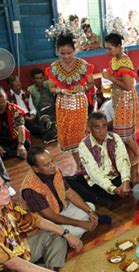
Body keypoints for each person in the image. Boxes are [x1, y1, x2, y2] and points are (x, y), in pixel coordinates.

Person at [0, 170, 83, 272]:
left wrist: (66, 233)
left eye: (4, 185)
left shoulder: (5, 205)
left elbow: (35, 220)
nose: (6, 191)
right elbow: (11, 263)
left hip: (19, 251)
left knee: (56, 236)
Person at [21, 147, 100, 238]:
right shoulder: (30, 189)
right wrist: (81, 223)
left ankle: (82, 227)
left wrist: (90, 212)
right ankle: (71, 233)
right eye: (47, 165)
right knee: (74, 232)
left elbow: (69, 193)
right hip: (49, 223)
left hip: (62, 211)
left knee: (90, 206)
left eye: (52, 161)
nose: (53, 166)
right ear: (36, 169)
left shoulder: (55, 171)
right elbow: (52, 217)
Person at [45, 33, 94, 171]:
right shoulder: (54, 67)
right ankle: (79, 165)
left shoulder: (83, 65)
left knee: (81, 134)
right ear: (57, 52)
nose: (66, 56)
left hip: (79, 104)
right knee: (71, 136)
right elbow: (51, 88)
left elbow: (91, 84)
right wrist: (61, 91)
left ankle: (89, 162)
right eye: (62, 53)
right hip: (63, 105)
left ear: (75, 50)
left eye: (69, 53)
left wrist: (83, 87)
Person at [66, 111, 132, 210]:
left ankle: (103, 198)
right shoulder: (84, 145)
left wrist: (125, 182)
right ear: (90, 129)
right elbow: (94, 174)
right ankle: (101, 198)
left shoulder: (115, 137)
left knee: (130, 174)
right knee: (67, 181)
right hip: (97, 183)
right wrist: (114, 189)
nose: (102, 130)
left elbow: (122, 160)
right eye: (97, 127)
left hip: (116, 179)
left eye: (104, 126)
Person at [102, 33, 139, 171]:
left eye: (110, 48)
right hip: (119, 99)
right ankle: (132, 158)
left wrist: (110, 77)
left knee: (125, 134)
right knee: (122, 133)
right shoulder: (115, 59)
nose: (108, 52)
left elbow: (128, 86)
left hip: (126, 100)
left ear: (119, 46)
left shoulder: (124, 62)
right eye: (106, 49)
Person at [0, 86, 31, 160]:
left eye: (1, 96)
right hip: (0, 140)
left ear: (5, 95)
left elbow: (21, 127)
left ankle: (10, 153)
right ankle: (15, 153)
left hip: (14, 138)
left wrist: (21, 144)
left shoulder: (15, 109)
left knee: (26, 143)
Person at [27, 68, 57, 144]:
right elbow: (31, 105)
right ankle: (51, 128)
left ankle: (53, 130)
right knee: (45, 120)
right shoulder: (31, 89)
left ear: (43, 77)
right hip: (41, 112)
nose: (39, 80)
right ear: (33, 79)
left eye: (41, 78)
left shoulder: (48, 84)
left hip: (53, 109)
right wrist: (33, 115)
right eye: (37, 78)